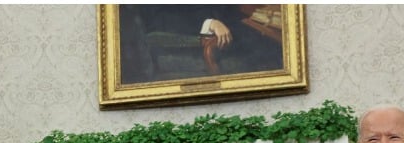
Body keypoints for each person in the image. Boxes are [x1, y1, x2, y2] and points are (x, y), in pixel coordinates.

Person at [119, 5, 283, 83]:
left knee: (273, 44)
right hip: (193, 39)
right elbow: (158, 20)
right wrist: (209, 22)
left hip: (231, 30)